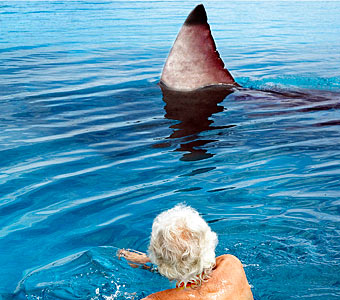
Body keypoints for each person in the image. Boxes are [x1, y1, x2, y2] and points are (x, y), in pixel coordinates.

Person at [118, 204, 254, 300]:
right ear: (210, 240)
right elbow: (196, 263)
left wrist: (154, 261)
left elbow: (181, 266)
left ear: (159, 261)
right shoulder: (230, 264)